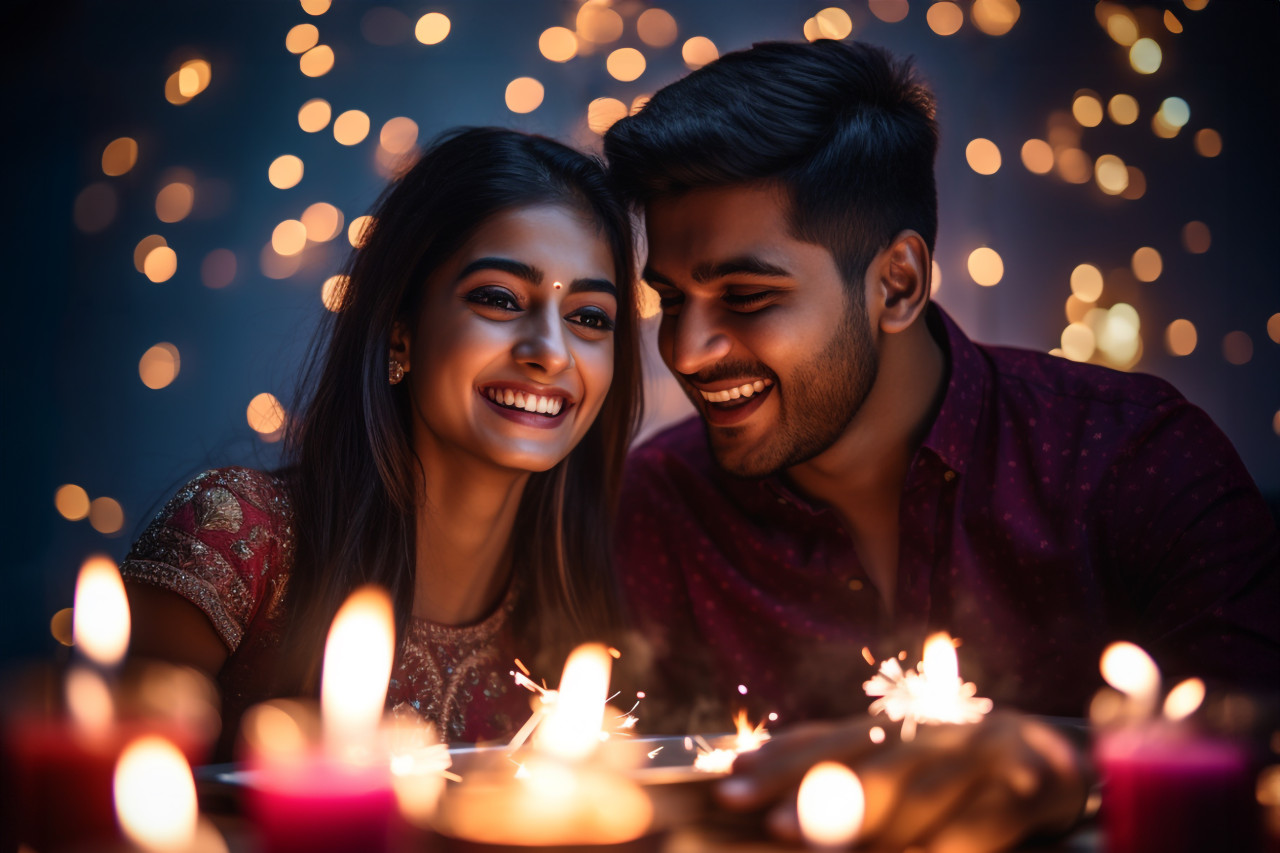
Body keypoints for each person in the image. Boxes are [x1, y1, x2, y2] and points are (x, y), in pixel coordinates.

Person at [605, 40, 1279, 849]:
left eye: (746, 296)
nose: (686, 351)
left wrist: (1068, 768)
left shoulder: (1134, 458)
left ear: (897, 282)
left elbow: (1260, 752)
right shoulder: (662, 504)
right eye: (673, 300)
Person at [120, 127, 643, 755]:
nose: (551, 354)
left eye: (589, 317)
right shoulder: (238, 539)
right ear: (400, 330)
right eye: (500, 300)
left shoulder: (584, 595)